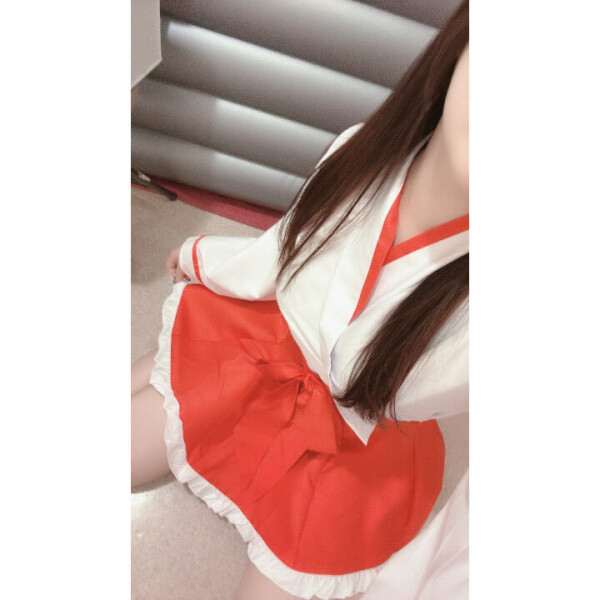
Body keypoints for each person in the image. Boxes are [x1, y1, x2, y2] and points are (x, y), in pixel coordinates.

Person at [131, 1, 469, 598]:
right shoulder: (361, 150)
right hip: (263, 353)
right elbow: (284, 250)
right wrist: (202, 258)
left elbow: (380, 381)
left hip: (352, 446)